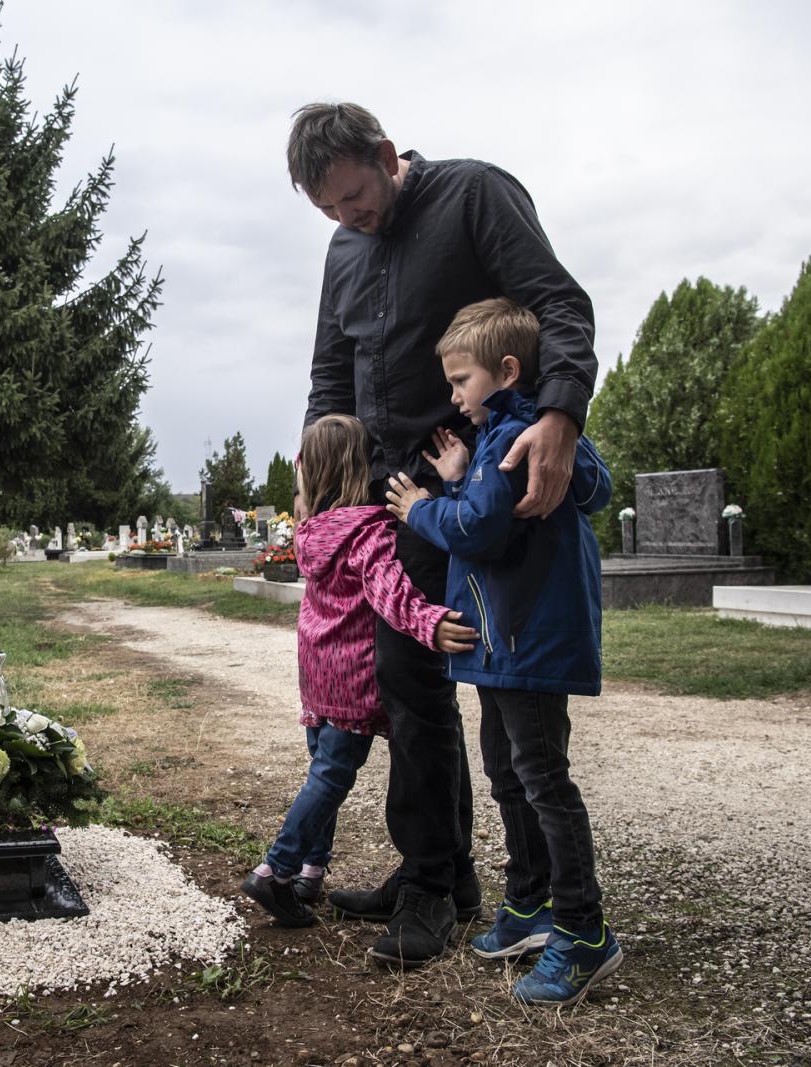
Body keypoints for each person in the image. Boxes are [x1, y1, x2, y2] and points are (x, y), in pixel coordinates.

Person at [289, 101, 599, 968]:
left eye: (355, 197)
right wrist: (322, 483)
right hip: (386, 498)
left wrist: (561, 414)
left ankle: (471, 885)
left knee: (470, 686)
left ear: (387, 156)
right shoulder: (343, 250)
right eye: (330, 212)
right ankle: (440, 874)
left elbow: (557, 305)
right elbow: (330, 372)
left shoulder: (472, 197)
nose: (349, 219)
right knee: (406, 681)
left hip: (470, 484)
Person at [386, 297, 619, 1005]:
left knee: (542, 777)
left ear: (507, 370)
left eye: (461, 381)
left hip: (524, 639)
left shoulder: (518, 433)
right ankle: (529, 904)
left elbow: (481, 528)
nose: (454, 396)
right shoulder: (510, 437)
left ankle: (583, 932)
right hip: (505, 641)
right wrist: (461, 473)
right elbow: (504, 502)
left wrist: (421, 507)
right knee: (508, 771)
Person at [240, 414, 479, 928]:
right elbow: (391, 592)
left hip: (316, 670)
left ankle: (310, 869)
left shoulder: (309, 532)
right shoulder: (368, 532)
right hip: (352, 674)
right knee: (332, 775)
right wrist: (430, 622)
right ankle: (275, 870)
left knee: (320, 771)